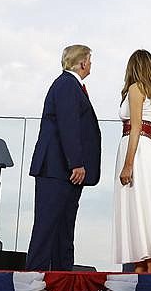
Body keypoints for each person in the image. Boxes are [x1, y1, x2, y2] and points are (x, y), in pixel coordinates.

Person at [26, 44, 102, 271]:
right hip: (56, 170)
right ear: (82, 63)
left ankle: (61, 280)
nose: (91, 64)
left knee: (63, 230)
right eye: (89, 59)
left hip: (63, 172)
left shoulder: (69, 86)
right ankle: (33, 281)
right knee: (47, 228)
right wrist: (77, 163)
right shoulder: (67, 86)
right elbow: (68, 126)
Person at [112, 49, 151, 272]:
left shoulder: (135, 89)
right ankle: (143, 268)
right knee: (146, 208)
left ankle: (147, 270)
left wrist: (128, 164)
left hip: (135, 150)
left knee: (138, 208)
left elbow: (136, 126)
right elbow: (150, 130)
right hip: (148, 151)